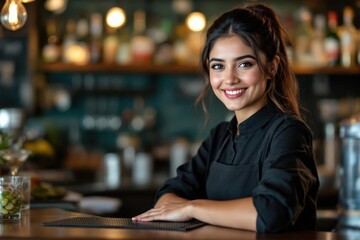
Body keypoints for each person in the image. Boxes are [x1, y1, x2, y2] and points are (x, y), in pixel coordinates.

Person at [132, 3, 319, 233]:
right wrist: (186, 205)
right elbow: (168, 196)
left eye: (244, 64)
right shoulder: (220, 135)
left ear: (272, 67)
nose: (229, 79)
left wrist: (192, 208)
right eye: (218, 66)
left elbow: (271, 214)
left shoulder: (288, 132)